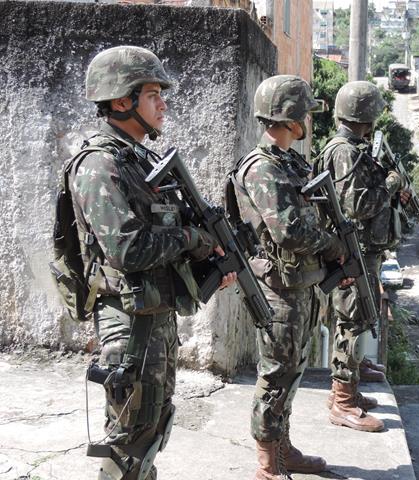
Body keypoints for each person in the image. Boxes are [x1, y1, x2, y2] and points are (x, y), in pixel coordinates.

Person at [71, 45, 235, 480]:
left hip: (154, 315)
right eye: (152, 94)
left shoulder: (138, 159)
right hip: (129, 323)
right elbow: (127, 248)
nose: (163, 103)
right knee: (127, 439)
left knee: (153, 428)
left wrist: (208, 254)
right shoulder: (99, 164)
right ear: (122, 100)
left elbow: (161, 234)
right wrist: (194, 239)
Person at [231, 74, 347, 479]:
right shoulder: (262, 168)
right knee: (276, 374)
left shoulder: (291, 162)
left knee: (294, 369)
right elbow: (290, 230)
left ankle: (283, 447)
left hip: (303, 284)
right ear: (290, 118)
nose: (308, 122)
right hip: (280, 289)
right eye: (304, 115)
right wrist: (333, 245)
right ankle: (267, 464)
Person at [316, 80, 411, 433]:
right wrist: (390, 185)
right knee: (353, 320)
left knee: (359, 317)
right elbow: (355, 205)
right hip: (352, 250)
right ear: (365, 116)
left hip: (363, 249)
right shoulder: (345, 151)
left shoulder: (354, 149)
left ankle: (349, 385)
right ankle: (342, 401)